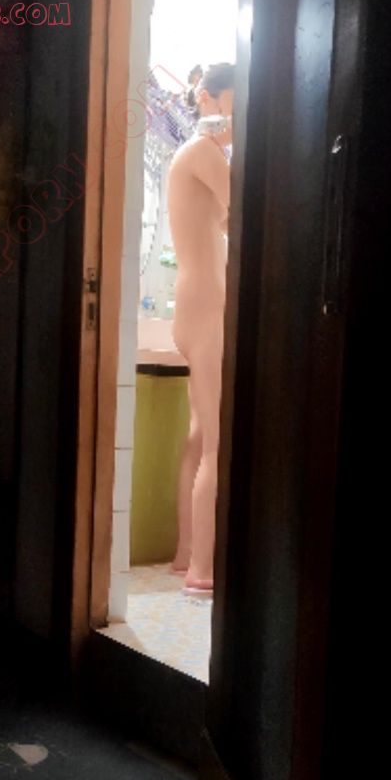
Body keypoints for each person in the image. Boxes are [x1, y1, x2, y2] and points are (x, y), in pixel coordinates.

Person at [167, 63, 234, 595]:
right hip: (208, 306)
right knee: (217, 441)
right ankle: (203, 572)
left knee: (197, 437)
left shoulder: (189, 155)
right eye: (238, 103)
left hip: (191, 306)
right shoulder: (206, 153)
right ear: (209, 100)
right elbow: (248, 218)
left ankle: (185, 553)